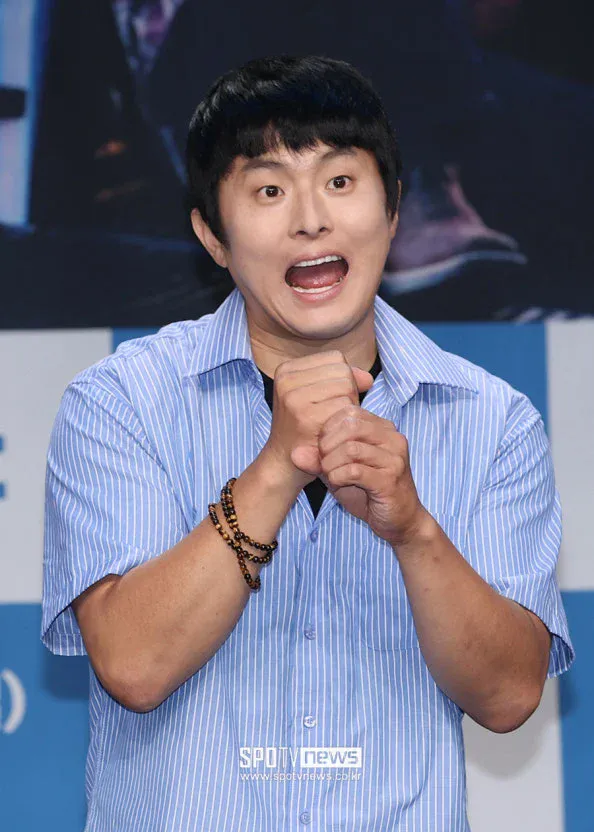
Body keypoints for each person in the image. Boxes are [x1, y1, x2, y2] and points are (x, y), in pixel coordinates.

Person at [41, 55, 574, 831]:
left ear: (394, 210)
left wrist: (415, 531)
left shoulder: (491, 420)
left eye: (340, 181)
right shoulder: (121, 402)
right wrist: (275, 467)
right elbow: (134, 666)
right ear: (212, 237)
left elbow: (508, 696)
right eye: (268, 190)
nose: (310, 219)